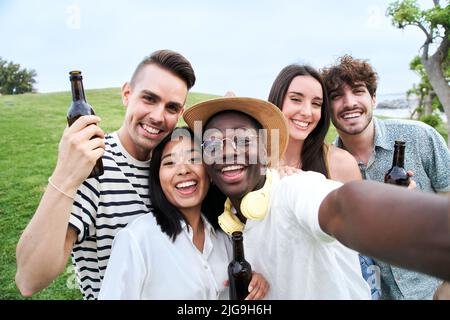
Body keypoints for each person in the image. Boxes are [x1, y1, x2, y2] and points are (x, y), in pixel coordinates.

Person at [183, 96, 450, 299]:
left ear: (265, 150)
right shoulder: (228, 223)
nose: (227, 152)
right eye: (213, 144)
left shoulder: (294, 190)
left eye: (243, 141)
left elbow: (342, 206)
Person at [15, 50, 196, 300]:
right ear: (127, 94)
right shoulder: (94, 164)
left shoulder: (174, 166)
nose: (157, 116)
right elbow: (29, 279)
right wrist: (65, 175)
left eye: (171, 107)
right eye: (149, 99)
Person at [321, 55, 450, 300]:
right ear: (327, 108)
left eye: (358, 91)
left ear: (374, 98)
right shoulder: (327, 166)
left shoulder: (421, 137)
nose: (349, 103)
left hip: (432, 290)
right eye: (336, 96)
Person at [98, 127, 268, 299]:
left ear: (209, 171)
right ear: (157, 178)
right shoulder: (136, 240)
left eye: (193, 158)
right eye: (170, 163)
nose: (183, 170)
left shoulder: (225, 234)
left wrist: (253, 282)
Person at [268, 64, 361, 183]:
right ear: (277, 99)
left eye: (316, 104)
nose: (307, 112)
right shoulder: (254, 157)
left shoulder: (342, 163)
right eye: (296, 99)